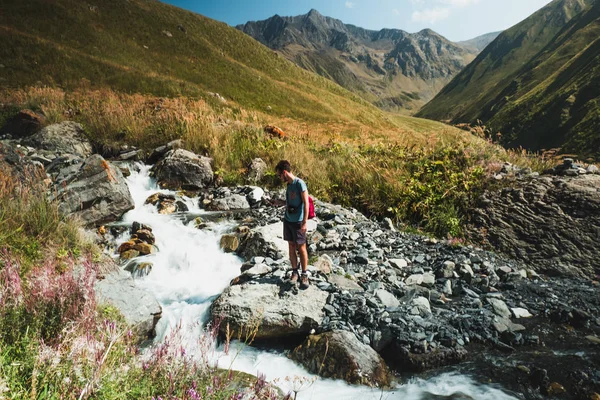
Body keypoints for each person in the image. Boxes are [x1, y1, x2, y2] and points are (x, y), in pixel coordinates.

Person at [275, 160, 310, 289]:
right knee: (291, 246)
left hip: (299, 221)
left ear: (284, 172)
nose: (279, 178)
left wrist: (305, 222)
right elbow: (290, 202)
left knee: (301, 248)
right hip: (288, 220)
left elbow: (306, 203)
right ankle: (295, 272)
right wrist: (278, 202)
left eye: (279, 175)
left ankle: (304, 274)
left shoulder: (300, 184)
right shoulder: (289, 185)